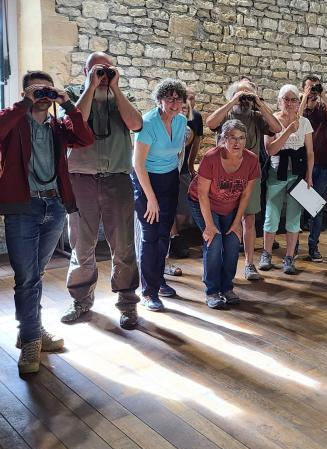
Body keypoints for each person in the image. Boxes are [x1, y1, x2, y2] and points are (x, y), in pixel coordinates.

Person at [0, 70, 94, 374]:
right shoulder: (14, 122)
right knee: (26, 278)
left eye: (46, 91)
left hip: (53, 206)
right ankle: (30, 340)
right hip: (22, 209)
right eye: (35, 91)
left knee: (36, 274)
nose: (42, 97)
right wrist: (22, 105)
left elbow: (85, 138)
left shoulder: (57, 126)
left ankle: (32, 330)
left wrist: (68, 104)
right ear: (26, 94)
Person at [58, 52, 143, 329]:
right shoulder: (73, 96)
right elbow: (74, 124)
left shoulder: (121, 95)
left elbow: (136, 124)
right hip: (81, 179)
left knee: (124, 245)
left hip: (117, 179)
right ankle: (81, 300)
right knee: (82, 244)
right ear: (86, 71)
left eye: (107, 70)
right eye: (97, 70)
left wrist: (115, 88)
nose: (103, 75)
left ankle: (128, 303)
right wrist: (91, 88)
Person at [206, 79, 281, 280]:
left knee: (249, 219)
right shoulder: (227, 113)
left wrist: (259, 103)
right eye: (241, 94)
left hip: (249, 175)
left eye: (248, 94)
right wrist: (232, 102)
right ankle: (222, 263)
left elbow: (277, 127)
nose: (245, 98)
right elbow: (211, 123)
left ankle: (249, 264)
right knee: (224, 219)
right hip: (225, 174)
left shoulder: (257, 116)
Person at [188, 120, 259, 309]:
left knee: (233, 242)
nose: (237, 143)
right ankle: (212, 291)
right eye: (232, 138)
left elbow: (245, 195)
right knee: (214, 241)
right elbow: (202, 194)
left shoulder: (251, 160)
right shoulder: (211, 158)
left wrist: (237, 223)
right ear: (222, 140)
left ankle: (227, 287)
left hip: (230, 205)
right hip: (203, 203)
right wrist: (210, 226)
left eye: (241, 138)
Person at [132, 79, 187, 311]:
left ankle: (159, 280)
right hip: (147, 181)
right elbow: (138, 163)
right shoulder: (148, 122)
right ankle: (147, 291)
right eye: (169, 98)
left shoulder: (182, 121)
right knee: (150, 235)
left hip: (169, 180)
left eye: (178, 99)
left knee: (164, 234)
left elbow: (178, 153)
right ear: (159, 99)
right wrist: (151, 198)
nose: (174, 103)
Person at [259, 84, 314, 275]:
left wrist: (309, 175)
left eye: (293, 100)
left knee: (293, 217)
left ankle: (289, 257)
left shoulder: (305, 122)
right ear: (279, 101)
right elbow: (271, 150)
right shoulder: (272, 120)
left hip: (297, 173)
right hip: (277, 172)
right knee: (271, 214)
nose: (289, 103)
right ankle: (266, 253)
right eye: (286, 99)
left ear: (299, 102)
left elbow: (310, 152)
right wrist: (289, 131)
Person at [299, 75, 327, 262]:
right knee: (298, 207)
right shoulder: (298, 105)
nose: (313, 90)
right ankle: (294, 247)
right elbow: (295, 122)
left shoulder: (322, 108)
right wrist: (305, 99)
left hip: (321, 163)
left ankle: (313, 247)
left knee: (317, 207)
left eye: (316, 87)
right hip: (302, 164)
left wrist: (324, 98)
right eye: (310, 87)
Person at [167, 86, 204, 262]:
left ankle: (174, 234)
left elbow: (195, 142)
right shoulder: (168, 118)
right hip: (166, 170)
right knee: (168, 207)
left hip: (182, 170)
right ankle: (174, 238)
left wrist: (190, 166)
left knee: (183, 209)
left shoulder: (195, 118)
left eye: (193, 98)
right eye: (186, 98)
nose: (189, 102)